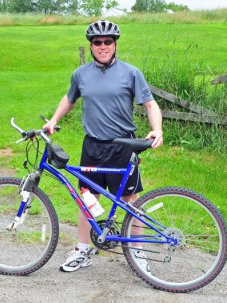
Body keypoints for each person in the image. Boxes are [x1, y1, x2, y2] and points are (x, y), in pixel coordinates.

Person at [43, 20, 163, 272]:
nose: (103, 46)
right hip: (93, 146)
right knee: (86, 198)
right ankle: (83, 248)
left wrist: (157, 129)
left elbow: (150, 104)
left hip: (122, 146)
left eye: (108, 42)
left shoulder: (131, 73)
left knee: (131, 201)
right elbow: (70, 98)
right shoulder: (81, 74)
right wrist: (54, 120)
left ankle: (137, 251)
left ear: (115, 44)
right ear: (91, 46)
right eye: (97, 43)